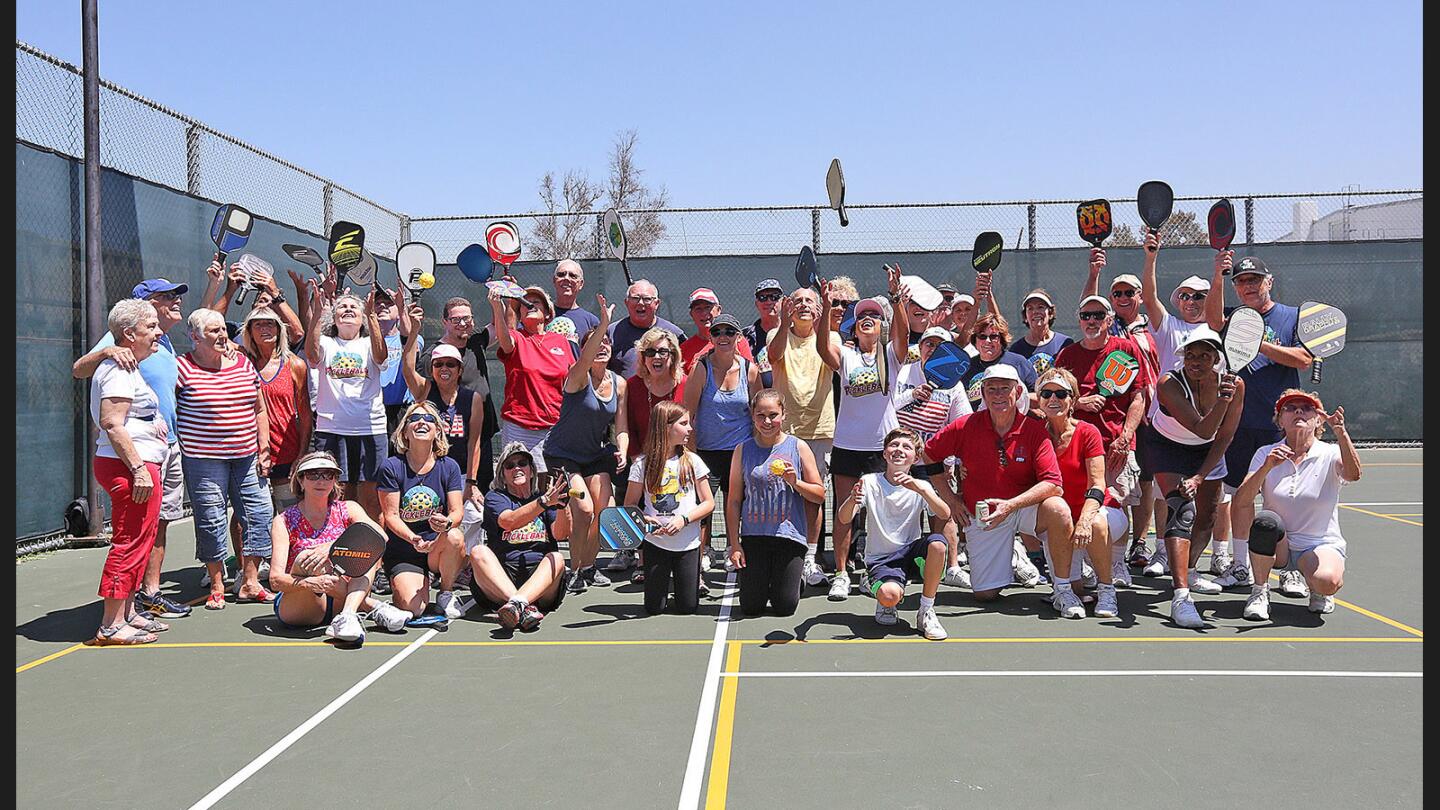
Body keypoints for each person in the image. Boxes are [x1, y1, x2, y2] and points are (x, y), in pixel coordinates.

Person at [72, 278, 192, 619]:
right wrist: (108, 350)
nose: (174, 300)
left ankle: (143, 598)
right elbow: (109, 417)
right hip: (132, 460)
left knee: (156, 526)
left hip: (162, 450)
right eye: (165, 296)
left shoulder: (160, 344)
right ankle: (115, 619)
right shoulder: (120, 351)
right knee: (132, 538)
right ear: (143, 309)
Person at [923, 365, 1073, 604]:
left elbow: (1054, 484)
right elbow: (929, 454)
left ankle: (1063, 590)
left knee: (1058, 508)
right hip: (985, 512)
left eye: (1005, 389)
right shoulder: (965, 425)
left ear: (1018, 392)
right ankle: (1013, 555)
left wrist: (1010, 505)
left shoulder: (1034, 430)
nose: (998, 395)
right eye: (991, 389)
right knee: (985, 594)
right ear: (983, 393)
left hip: (1023, 509)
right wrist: (951, 499)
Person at [1207, 253, 1312, 591]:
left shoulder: (1291, 317)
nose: (1248, 286)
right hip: (1239, 424)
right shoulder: (1232, 316)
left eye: (1254, 280)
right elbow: (1211, 319)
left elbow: (1304, 359)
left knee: (1283, 498)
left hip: (1279, 425)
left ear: (1269, 282)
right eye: (1242, 281)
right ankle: (1240, 565)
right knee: (1239, 496)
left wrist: (1258, 344)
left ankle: (1290, 568)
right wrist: (1218, 274)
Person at [1143, 327, 1244, 628]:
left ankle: (1188, 570)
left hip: (1209, 452)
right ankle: (1181, 596)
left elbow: (1223, 436)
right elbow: (1202, 428)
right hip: (1166, 447)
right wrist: (1223, 402)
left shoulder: (1235, 385)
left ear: (1216, 358)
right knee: (1182, 510)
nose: (1195, 361)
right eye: (1190, 354)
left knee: (1208, 516)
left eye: (1204, 355)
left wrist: (1200, 476)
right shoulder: (1168, 383)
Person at [86, 299, 172, 644]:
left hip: (139, 463)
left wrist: (157, 424)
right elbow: (111, 422)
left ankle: (128, 612)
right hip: (127, 467)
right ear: (128, 333)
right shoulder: (119, 368)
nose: (158, 332)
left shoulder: (131, 367)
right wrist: (137, 469)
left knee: (142, 537)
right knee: (129, 539)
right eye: (150, 327)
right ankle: (110, 624)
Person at [1232, 391, 1360, 621]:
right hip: (1277, 544)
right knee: (1265, 522)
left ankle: (1318, 591)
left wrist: (1341, 433)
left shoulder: (1330, 453)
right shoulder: (1265, 453)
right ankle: (1260, 592)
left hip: (1316, 545)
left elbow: (1353, 474)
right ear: (1280, 420)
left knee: (1328, 582)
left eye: (1307, 408)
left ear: (1319, 419)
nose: (1298, 411)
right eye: (1290, 408)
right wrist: (1267, 467)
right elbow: (1241, 501)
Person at [177, 308, 274, 609]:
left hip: (246, 456)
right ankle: (217, 585)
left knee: (259, 513)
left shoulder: (243, 363)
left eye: (223, 329)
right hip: (202, 459)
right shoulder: (181, 368)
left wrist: (264, 447)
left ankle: (250, 581)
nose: (222, 335)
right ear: (195, 337)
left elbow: (259, 408)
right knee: (210, 518)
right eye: (213, 331)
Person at [816, 282, 906, 601]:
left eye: (875, 315)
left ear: (882, 325)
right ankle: (841, 574)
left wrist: (896, 300)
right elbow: (823, 349)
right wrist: (827, 307)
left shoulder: (891, 355)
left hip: (883, 448)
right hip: (847, 447)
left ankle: (873, 571)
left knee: (881, 515)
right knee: (845, 511)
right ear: (854, 324)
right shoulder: (846, 354)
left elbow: (903, 336)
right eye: (862, 315)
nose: (868, 318)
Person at [268, 451, 411, 644]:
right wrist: (310, 583)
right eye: (313, 474)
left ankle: (348, 615)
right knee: (307, 559)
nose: (321, 480)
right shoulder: (283, 521)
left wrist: (331, 548)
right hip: (301, 604)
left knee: (365, 548)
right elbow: (275, 580)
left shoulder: (348, 508)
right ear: (301, 481)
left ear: (335, 480)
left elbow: (380, 537)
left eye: (328, 474)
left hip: (340, 598)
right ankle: (373, 607)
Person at [399, 295, 487, 583]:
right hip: (431, 473)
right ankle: (431, 564)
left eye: (451, 364)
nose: (444, 369)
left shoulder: (472, 399)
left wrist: (471, 484)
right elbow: (407, 369)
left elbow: (474, 442)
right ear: (433, 369)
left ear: (460, 370)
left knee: (472, 514)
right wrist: (413, 331)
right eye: (439, 365)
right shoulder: (425, 392)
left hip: (460, 473)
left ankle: (462, 566)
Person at [1084, 257, 1163, 569]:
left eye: (1128, 292)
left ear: (1140, 296)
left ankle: (1142, 543)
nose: (1122, 298)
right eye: (1116, 293)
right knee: (1115, 483)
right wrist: (1094, 273)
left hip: (1152, 416)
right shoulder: (1105, 323)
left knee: (1145, 483)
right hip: (1115, 416)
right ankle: (1114, 547)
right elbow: (1086, 305)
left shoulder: (1154, 325)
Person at [545, 294, 626, 591]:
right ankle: (574, 569)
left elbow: (622, 425)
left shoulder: (620, 383)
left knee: (602, 511)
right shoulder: (576, 378)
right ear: (584, 349)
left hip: (594, 456)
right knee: (584, 510)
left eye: (606, 342)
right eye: (596, 342)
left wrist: (623, 450)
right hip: (563, 455)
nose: (602, 346)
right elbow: (586, 356)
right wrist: (604, 323)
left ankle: (589, 568)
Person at [839, 427, 952, 639]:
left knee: (938, 544)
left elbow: (944, 513)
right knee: (889, 596)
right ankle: (879, 587)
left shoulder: (921, 485)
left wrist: (923, 490)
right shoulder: (869, 482)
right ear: (884, 453)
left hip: (911, 553)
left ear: (916, 457)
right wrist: (851, 500)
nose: (899, 450)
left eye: (906, 447)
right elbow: (844, 518)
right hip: (883, 559)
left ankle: (926, 610)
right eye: (894, 445)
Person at [1031, 368, 1124, 618]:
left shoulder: (1088, 432)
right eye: (1046, 393)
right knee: (1074, 588)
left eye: (1061, 393)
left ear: (1073, 399)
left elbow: (1097, 483)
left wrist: (1083, 520)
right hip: (1059, 520)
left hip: (1097, 510)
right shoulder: (1032, 431)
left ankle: (1107, 591)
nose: (1053, 399)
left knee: (1095, 525)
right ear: (1038, 398)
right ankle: (1070, 586)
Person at [726, 389, 826, 617]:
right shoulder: (743, 450)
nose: (767, 421)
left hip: (789, 537)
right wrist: (735, 544)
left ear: (784, 415)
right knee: (751, 607)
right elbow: (733, 501)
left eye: (773, 414)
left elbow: (819, 495)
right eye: (761, 415)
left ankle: (795, 577)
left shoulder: (798, 447)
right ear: (752, 416)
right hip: (754, 537)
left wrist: (795, 482)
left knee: (785, 607)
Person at [766, 287, 836, 588]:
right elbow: (774, 355)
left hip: (820, 430)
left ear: (819, 309)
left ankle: (809, 558)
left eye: (810, 301)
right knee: (779, 495)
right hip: (785, 433)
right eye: (797, 301)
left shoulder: (831, 337)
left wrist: (826, 317)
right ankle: (779, 555)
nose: (803, 305)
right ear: (787, 308)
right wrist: (783, 322)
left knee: (812, 497)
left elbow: (833, 362)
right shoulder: (775, 334)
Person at [893, 325, 973, 588]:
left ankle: (950, 566)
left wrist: (952, 461)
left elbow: (961, 425)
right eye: (929, 344)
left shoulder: (954, 385)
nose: (932, 349)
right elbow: (885, 407)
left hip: (935, 460)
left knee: (943, 512)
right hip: (900, 459)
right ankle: (898, 565)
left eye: (940, 346)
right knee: (902, 512)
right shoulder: (904, 371)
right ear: (921, 347)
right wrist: (911, 395)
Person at [304, 283, 389, 521]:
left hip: (370, 429)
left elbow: (381, 358)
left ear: (363, 317)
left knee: (371, 497)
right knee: (338, 495)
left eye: (354, 306)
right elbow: (311, 357)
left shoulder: (369, 342)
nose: (348, 309)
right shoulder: (326, 343)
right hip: (331, 429)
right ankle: (340, 552)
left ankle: (375, 556)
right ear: (335, 316)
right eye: (342, 306)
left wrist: (372, 315)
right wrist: (318, 316)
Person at [375, 401, 468, 619]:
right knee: (412, 609)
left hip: (437, 548)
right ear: (404, 431)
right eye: (414, 419)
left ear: (437, 431)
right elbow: (391, 516)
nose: (421, 423)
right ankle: (407, 581)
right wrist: (414, 538)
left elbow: (457, 512)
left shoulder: (449, 466)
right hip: (405, 549)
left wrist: (445, 523)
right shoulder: (391, 466)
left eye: (429, 420)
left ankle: (446, 592)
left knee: (454, 535)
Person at [469, 442, 573, 631]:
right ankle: (522, 605)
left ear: (531, 470)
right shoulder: (496, 498)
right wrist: (544, 502)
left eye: (522, 463)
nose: (517, 468)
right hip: (503, 577)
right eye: (510, 465)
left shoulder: (544, 498)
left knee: (557, 558)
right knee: (478, 552)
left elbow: (561, 534)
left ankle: (517, 604)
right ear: (503, 474)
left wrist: (562, 506)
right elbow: (508, 521)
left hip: (540, 579)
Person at [609, 327, 688, 576]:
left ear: (673, 356)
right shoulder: (632, 385)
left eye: (663, 351)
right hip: (641, 460)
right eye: (650, 351)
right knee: (635, 503)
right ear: (642, 357)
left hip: (678, 459)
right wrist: (637, 460)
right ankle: (638, 557)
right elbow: (626, 425)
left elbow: (689, 425)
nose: (657, 357)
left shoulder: (685, 384)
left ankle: (686, 560)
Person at [625, 400, 716, 615]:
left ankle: (686, 586)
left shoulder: (692, 461)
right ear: (666, 427)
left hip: (688, 544)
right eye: (684, 423)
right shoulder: (642, 464)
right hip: (656, 543)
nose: (690, 428)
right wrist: (645, 519)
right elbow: (629, 506)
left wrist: (683, 520)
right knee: (653, 608)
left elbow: (709, 502)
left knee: (688, 607)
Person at [683, 313, 760, 568]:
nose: (723, 337)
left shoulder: (750, 371)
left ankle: (733, 548)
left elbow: (758, 414)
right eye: (717, 332)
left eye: (729, 332)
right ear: (711, 338)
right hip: (706, 452)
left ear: (738, 337)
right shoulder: (701, 369)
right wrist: (690, 455)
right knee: (703, 507)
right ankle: (702, 552)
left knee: (736, 504)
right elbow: (688, 415)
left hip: (740, 452)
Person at [1054, 295, 1150, 485]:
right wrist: (1078, 403)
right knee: (1080, 506)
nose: (1091, 320)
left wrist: (1125, 437)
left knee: (1116, 508)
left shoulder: (1127, 349)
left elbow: (1138, 398)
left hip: (1117, 446)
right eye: (1086, 315)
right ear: (1080, 320)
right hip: (1077, 447)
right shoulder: (1067, 355)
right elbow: (1052, 399)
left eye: (1098, 315)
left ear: (1110, 320)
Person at [488, 283, 573, 470]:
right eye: (525, 303)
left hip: (556, 428)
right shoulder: (516, 337)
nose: (529, 304)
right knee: (519, 483)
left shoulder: (561, 341)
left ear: (548, 313)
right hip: (520, 426)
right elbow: (505, 342)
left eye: (536, 301)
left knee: (554, 486)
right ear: (520, 316)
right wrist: (497, 308)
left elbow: (573, 380)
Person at [419, 297, 501, 491]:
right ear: (445, 322)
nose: (463, 323)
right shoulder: (432, 356)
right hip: (450, 440)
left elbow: (500, 325)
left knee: (480, 493)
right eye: (456, 320)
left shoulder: (476, 341)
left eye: (467, 318)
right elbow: (423, 393)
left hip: (483, 435)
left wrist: (501, 298)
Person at [241, 307, 311, 512]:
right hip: (249, 453)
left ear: (279, 330)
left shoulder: (295, 365)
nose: (265, 328)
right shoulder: (241, 363)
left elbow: (306, 415)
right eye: (258, 324)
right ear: (249, 331)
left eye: (270, 323)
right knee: (246, 515)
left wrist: (301, 454)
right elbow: (207, 325)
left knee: (288, 512)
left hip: (286, 453)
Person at [959, 312, 1038, 410]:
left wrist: (1013, 397)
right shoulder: (966, 367)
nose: (987, 341)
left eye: (993, 336)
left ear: (1002, 339)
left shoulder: (1018, 362)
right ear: (975, 340)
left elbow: (1039, 397)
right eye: (982, 336)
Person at [608, 279, 684, 379]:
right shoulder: (612, 332)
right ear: (626, 302)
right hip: (624, 393)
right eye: (635, 298)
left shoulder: (674, 334)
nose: (640, 303)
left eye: (647, 299)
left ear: (656, 303)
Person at [681, 288, 753, 372]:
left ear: (718, 310)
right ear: (691, 314)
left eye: (708, 307)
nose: (704, 313)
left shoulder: (736, 340)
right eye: (698, 309)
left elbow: (750, 374)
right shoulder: (684, 349)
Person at [1009, 289, 1073, 377]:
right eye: (1030, 308)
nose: (1035, 312)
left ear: (1050, 314)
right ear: (1025, 317)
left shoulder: (1065, 344)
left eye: (1040, 307)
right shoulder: (1016, 350)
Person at [743, 278, 783, 388]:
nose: (769, 301)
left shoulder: (793, 331)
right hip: (760, 397)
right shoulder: (746, 337)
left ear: (782, 301)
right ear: (757, 304)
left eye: (774, 297)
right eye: (763, 298)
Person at [551, 258, 600, 342]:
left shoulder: (592, 322)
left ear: (581, 284)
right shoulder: (542, 315)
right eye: (561, 274)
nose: (566, 278)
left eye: (572, 276)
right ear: (554, 281)